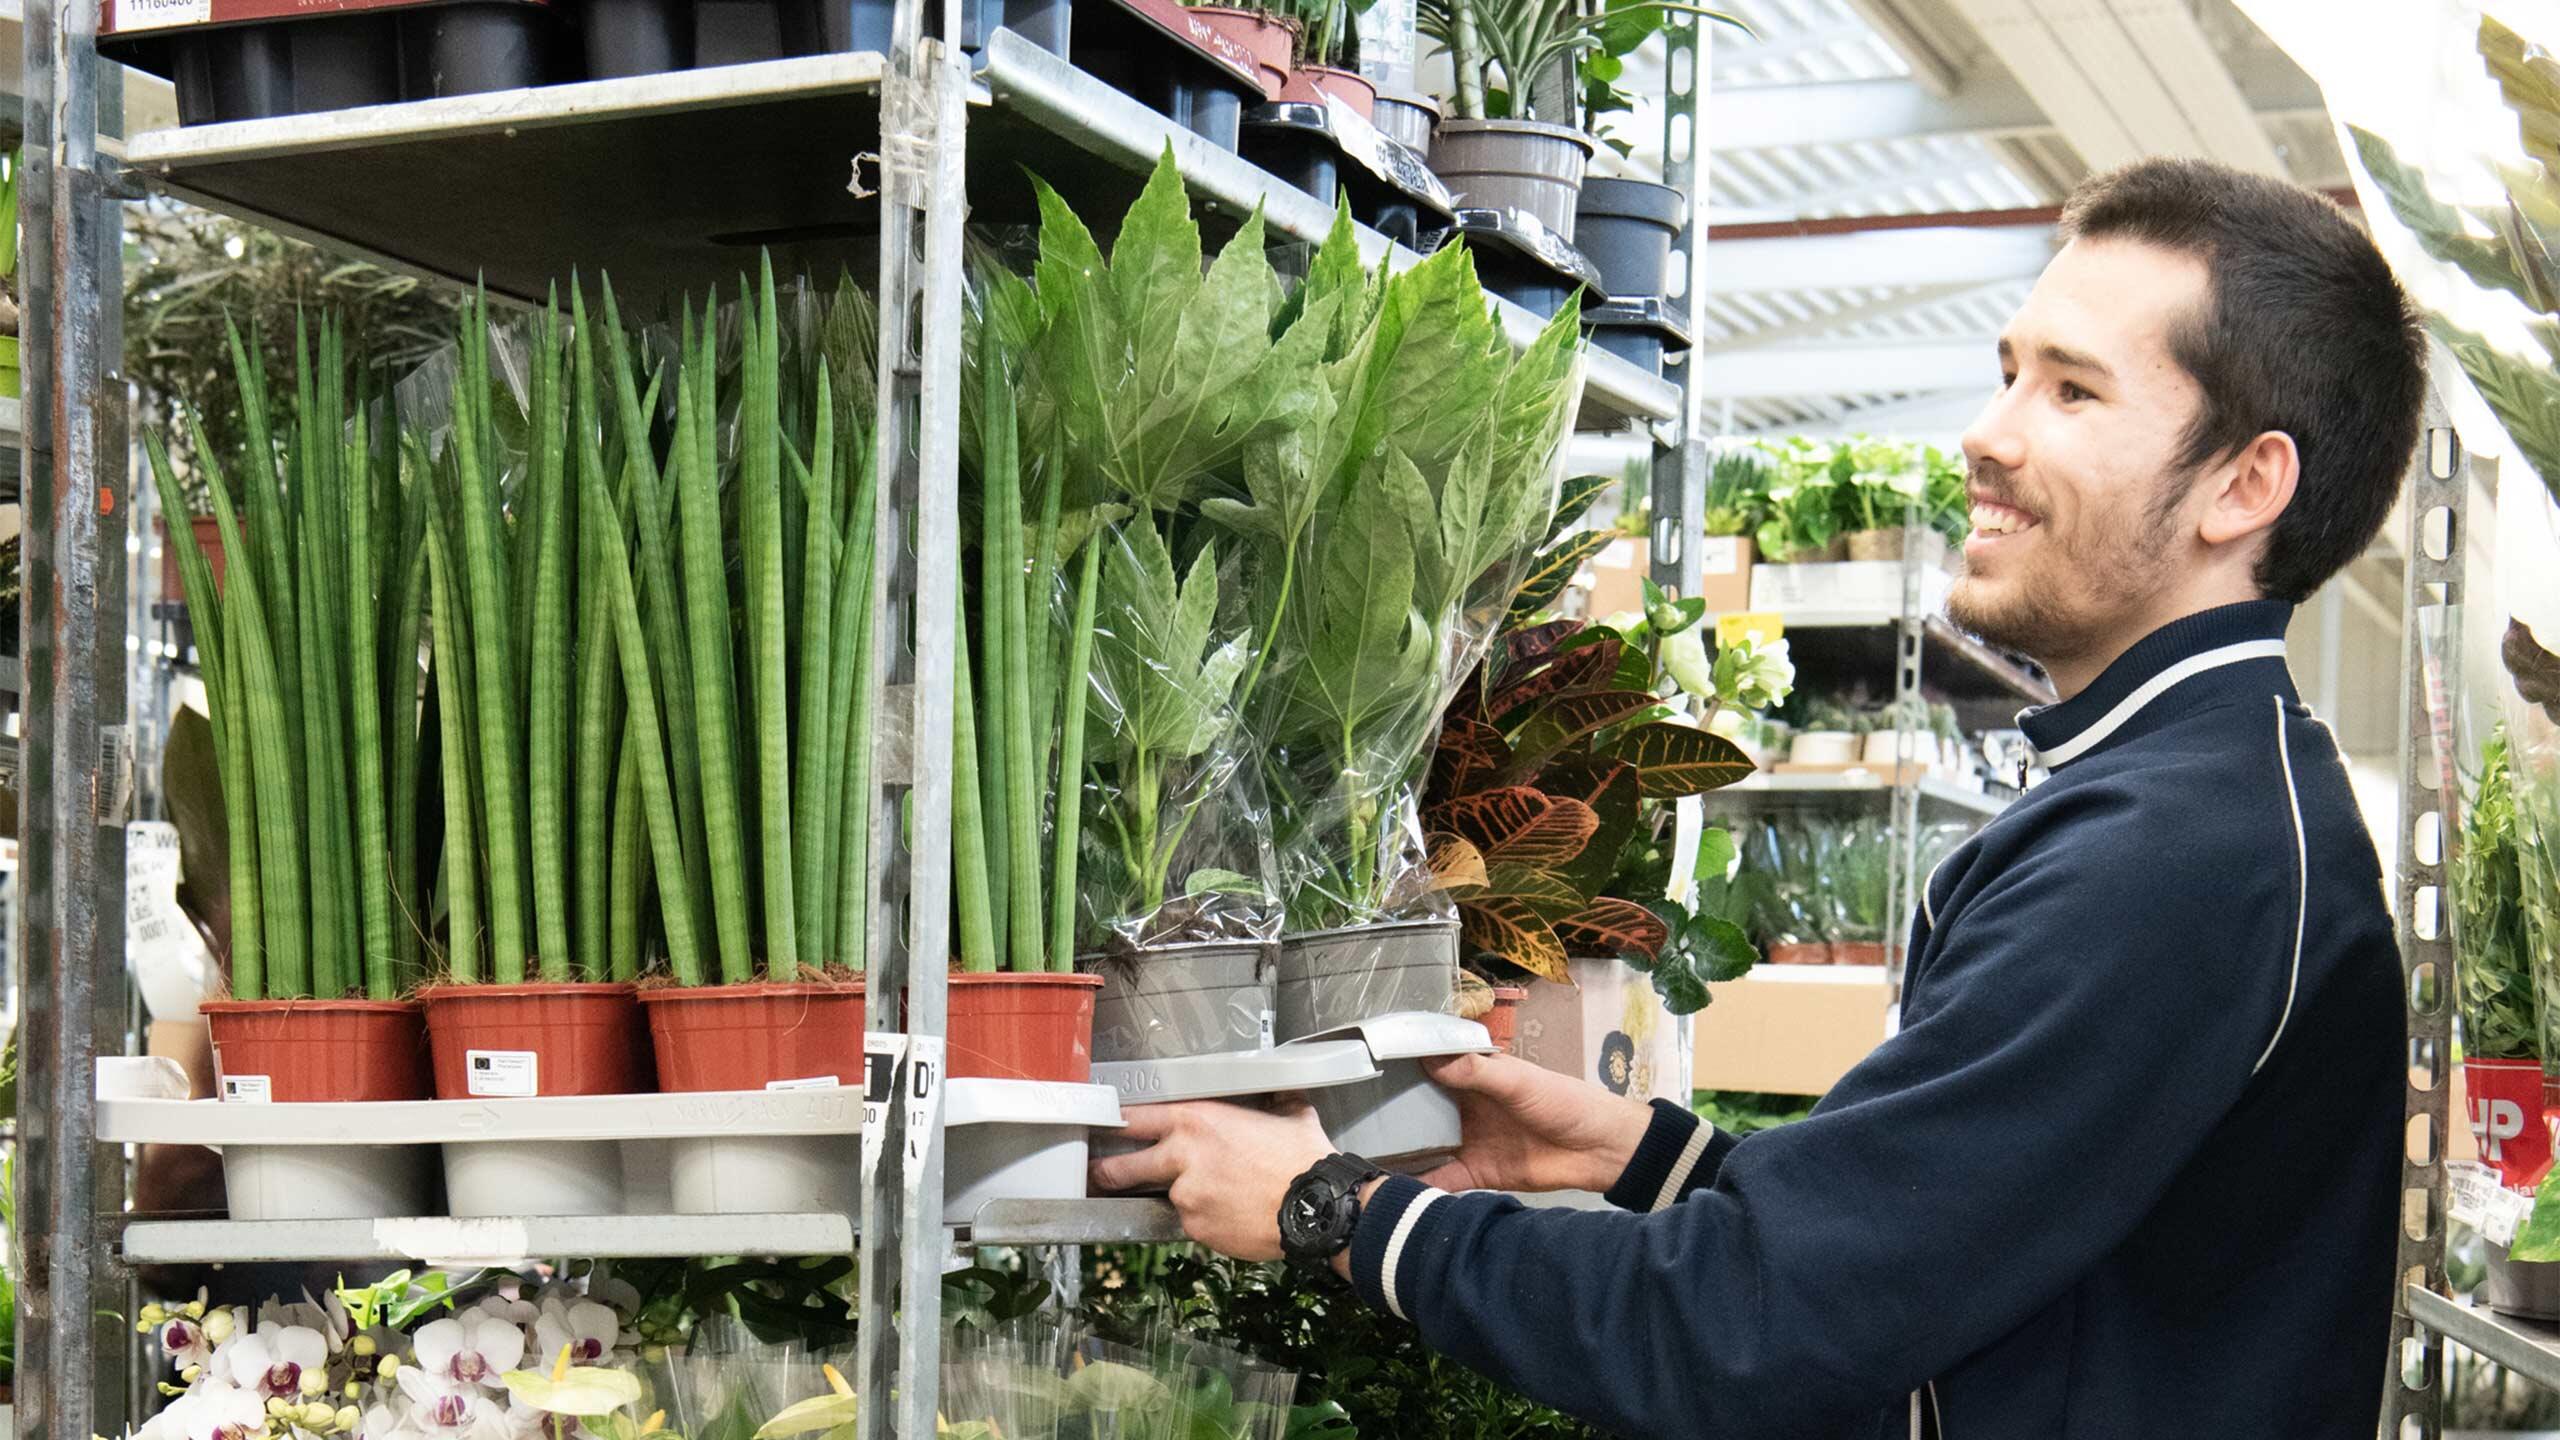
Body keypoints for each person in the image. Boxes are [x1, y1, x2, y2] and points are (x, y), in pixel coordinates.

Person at [1088, 155, 2426, 1439]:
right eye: (2008, 372)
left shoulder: (2178, 857)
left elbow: (1755, 1330)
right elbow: (1967, 1241)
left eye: (2072, 393)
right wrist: (1651, 1155)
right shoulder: (2193, 798)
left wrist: (1339, 1214)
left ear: (2245, 484)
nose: (1988, 434)